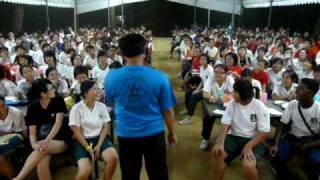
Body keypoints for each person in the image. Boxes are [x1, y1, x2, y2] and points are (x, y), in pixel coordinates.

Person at [105, 33, 177, 180]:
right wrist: (172, 132)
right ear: (145, 52)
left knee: (130, 174)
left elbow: (111, 100)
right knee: (158, 174)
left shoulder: (111, 76)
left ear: (122, 53)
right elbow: (168, 110)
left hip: (126, 134)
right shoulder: (159, 77)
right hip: (154, 133)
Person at [212, 79, 270, 180]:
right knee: (218, 154)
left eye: (235, 92)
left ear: (243, 94)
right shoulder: (232, 104)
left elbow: (264, 132)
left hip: (253, 140)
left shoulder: (259, 106)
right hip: (234, 136)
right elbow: (226, 123)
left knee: (248, 165)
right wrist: (220, 142)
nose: (232, 93)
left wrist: (248, 146)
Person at [13, 79, 70, 180]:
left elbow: (58, 124)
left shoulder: (58, 100)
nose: (54, 90)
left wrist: (46, 141)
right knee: (41, 165)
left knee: (42, 149)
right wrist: (34, 144)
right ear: (42, 94)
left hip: (61, 139)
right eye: (50, 89)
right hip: (42, 141)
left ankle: (18, 178)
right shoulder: (33, 108)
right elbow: (32, 133)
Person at [270, 78, 320, 180]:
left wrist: (307, 145)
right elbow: (282, 125)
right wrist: (275, 144)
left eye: (300, 89)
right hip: (293, 139)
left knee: (316, 161)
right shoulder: (292, 104)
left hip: (311, 142)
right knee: (275, 157)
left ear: (310, 93)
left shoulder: (318, 109)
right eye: (297, 87)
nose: (296, 91)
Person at [69, 80, 118, 180]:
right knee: (85, 171)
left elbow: (105, 127)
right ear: (86, 93)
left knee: (113, 158)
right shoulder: (76, 108)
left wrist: (99, 146)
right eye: (95, 89)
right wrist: (88, 148)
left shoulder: (101, 106)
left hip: (99, 138)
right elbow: (77, 132)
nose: (98, 91)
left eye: (98, 89)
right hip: (82, 141)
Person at [201, 64, 234, 150]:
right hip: (213, 104)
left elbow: (234, 93)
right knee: (207, 118)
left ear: (226, 74)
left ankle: (222, 138)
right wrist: (210, 97)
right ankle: (205, 139)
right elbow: (205, 93)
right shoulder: (211, 78)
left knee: (231, 118)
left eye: (221, 72)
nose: (217, 74)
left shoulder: (229, 80)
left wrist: (227, 97)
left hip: (226, 105)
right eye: (216, 72)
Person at [179, 54, 213, 125]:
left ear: (207, 61)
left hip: (209, 91)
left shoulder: (210, 70)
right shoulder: (202, 67)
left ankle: (189, 118)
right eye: (201, 59)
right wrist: (197, 89)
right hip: (204, 88)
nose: (202, 61)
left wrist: (198, 91)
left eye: (204, 59)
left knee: (193, 96)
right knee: (188, 93)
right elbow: (202, 81)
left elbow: (209, 85)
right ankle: (187, 109)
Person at [0, 95, 26, 179]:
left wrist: (4, 133)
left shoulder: (16, 113)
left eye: (2, 105)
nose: (1, 109)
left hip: (17, 136)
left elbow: (20, 132)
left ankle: (12, 177)